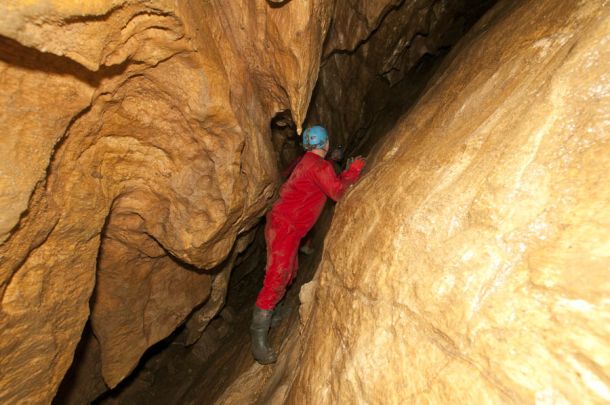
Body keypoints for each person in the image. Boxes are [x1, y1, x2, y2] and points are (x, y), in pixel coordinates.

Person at [250, 125, 366, 364]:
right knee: (278, 274)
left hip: (285, 225)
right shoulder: (318, 166)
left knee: (288, 271)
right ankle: (257, 340)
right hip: (285, 227)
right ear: (325, 144)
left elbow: (330, 184)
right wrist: (354, 171)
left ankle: (274, 311)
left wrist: (343, 172)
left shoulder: (310, 163)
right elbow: (337, 193)